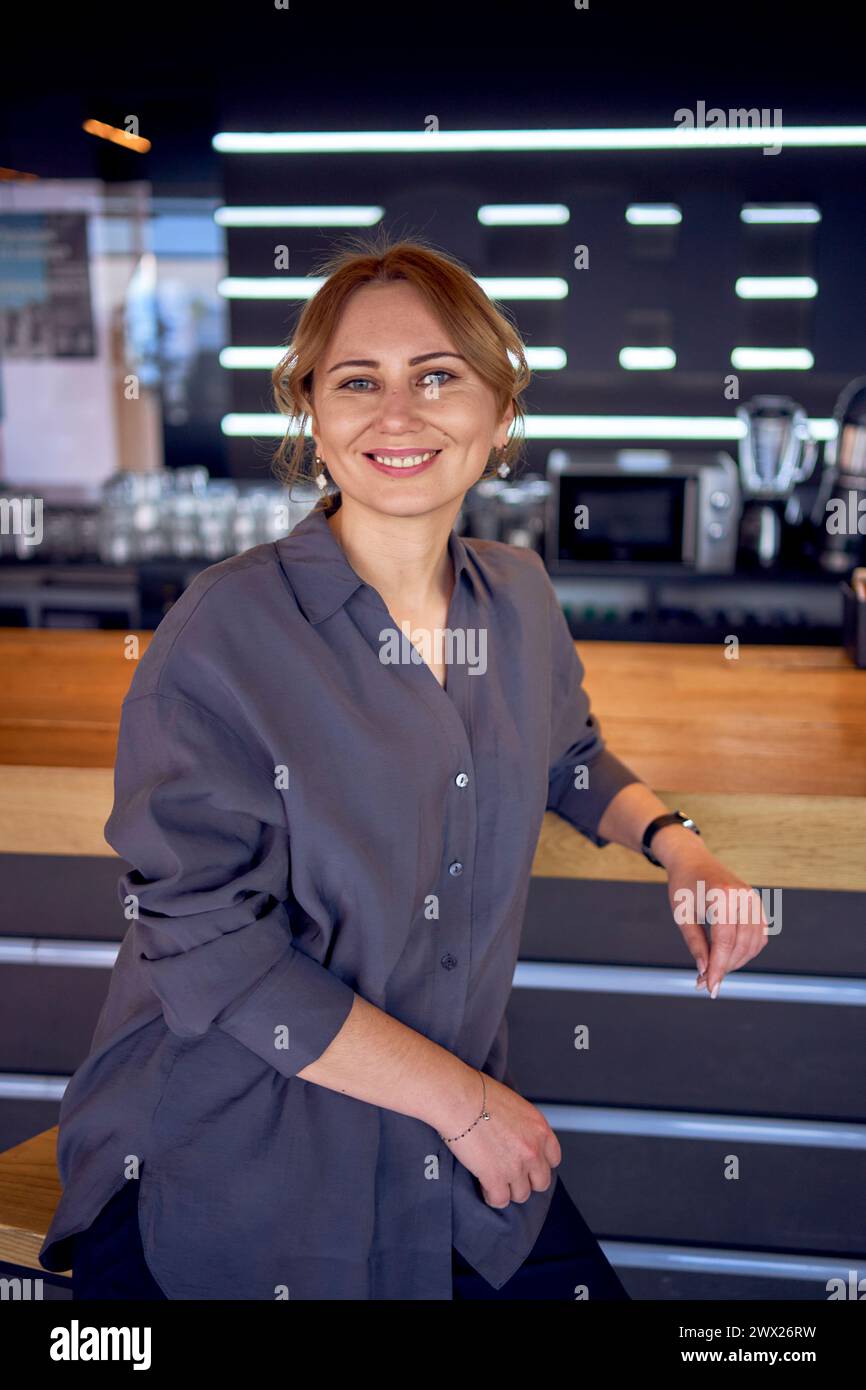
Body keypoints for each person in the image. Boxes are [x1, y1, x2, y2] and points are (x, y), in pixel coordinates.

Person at [39, 235, 768, 1301]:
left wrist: (674, 841)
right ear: (313, 417)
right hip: (231, 1151)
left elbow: (564, 752)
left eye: (436, 377)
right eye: (356, 382)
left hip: (445, 1154)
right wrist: (464, 1105)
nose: (397, 413)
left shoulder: (516, 596)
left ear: (498, 413)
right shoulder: (223, 631)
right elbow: (211, 951)